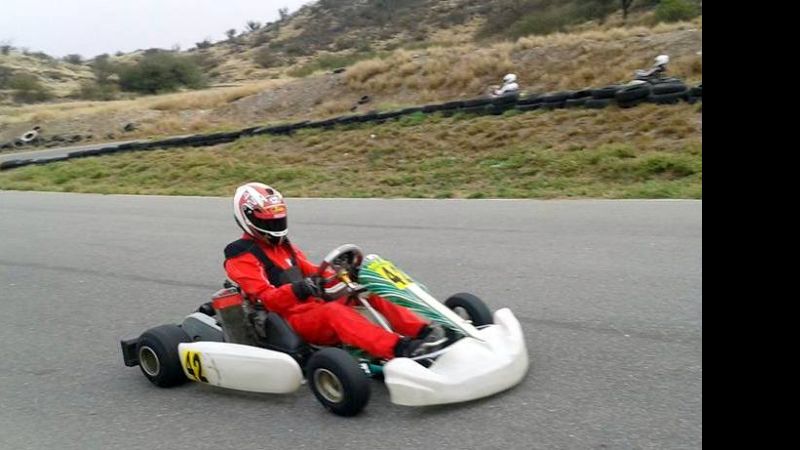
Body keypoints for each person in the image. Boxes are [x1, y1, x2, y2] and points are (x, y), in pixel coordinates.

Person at [223, 182, 444, 360]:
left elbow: (312, 271)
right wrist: (300, 289)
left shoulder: (283, 245)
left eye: (278, 219)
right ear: (248, 218)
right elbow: (265, 299)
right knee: (334, 313)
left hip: (312, 306)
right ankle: (400, 348)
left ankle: (424, 332)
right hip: (289, 320)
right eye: (269, 222)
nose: (276, 226)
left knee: (367, 291)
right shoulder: (240, 255)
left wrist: (342, 274)